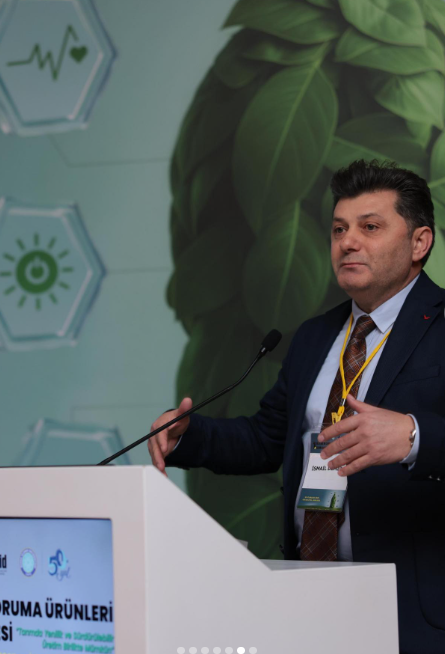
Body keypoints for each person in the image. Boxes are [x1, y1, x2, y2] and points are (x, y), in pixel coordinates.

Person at [148, 160, 445, 654]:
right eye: (339, 229)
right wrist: (189, 436)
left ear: (420, 243)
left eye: (370, 227)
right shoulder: (314, 336)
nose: (348, 242)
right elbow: (267, 439)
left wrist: (416, 437)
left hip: (412, 613)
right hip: (308, 599)